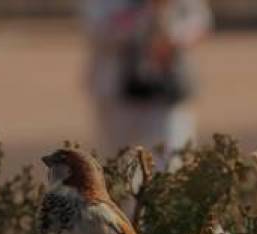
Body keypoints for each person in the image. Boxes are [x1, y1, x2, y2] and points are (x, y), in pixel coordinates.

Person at [82, 0, 213, 169]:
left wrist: (172, 39)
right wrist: (147, 9)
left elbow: (201, 22)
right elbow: (98, 30)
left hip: (169, 92)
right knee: (120, 166)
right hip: (118, 96)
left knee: (172, 163)